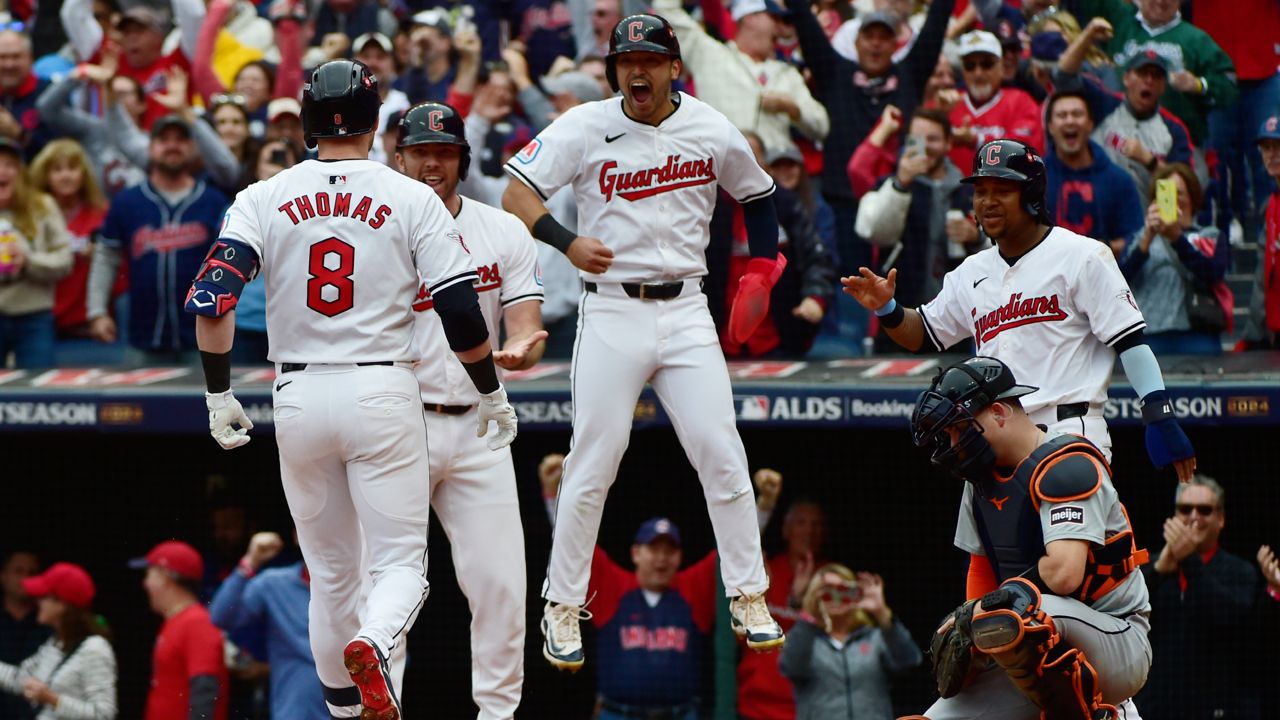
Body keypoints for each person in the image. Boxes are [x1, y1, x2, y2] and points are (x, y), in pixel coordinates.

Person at [184, 59, 517, 720]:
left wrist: (219, 394)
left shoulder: (262, 194)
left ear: (307, 119)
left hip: (299, 393)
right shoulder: (411, 195)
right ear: (375, 122)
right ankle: (374, 640)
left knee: (331, 573)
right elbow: (458, 313)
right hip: (382, 389)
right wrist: (489, 392)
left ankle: (341, 709)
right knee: (400, 569)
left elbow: (213, 298)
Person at [501, 14, 785, 671]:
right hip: (612, 312)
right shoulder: (585, 124)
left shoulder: (710, 126)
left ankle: (749, 594)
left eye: (650, 59)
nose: (638, 70)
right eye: (627, 59)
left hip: (687, 309)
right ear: (614, 69)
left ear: (672, 67)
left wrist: (764, 270)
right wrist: (565, 240)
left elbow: (762, 199)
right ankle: (562, 605)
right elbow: (519, 192)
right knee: (594, 459)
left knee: (721, 452)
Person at [841, 138, 1195, 480]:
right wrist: (887, 307)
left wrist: (1158, 412)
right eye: (981, 192)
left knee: (1065, 543)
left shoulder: (1082, 255)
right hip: (995, 437)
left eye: (1002, 190)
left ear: (1031, 196)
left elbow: (1130, 341)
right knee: (981, 543)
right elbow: (924, 334)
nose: (988, 202)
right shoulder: (971, 272)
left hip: (1069, 431)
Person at [395, 101, 546, 720]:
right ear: (397, 157)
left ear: (462, 157)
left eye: (445, 151)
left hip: (480, 418)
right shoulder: (370, 232)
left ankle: (497, 714)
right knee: (389, 587)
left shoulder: (500, 229)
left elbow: (527, 325)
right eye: (421, 152)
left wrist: (520, 348)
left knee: (502, 586)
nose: (433, 162)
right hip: (398, 422)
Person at [904, 356, 1152, 720]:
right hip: (1031, 644)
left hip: (1117, 640)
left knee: (1011, 609)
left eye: (959, 428)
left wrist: (981, 612)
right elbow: (980, 573)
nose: (953, 441)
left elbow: (1064, 573)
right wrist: (974, 638)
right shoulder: (979, 483)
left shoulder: (1067, 464)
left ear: (1000, 413)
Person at [538, 455, 778, 720]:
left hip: (680, 713)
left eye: (669, 550)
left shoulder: (692, 588)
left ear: (679, 556)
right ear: (635, 553)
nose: (661, 558)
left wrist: (764, 506)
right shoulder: (613, 586)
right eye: (653, 549)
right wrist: (553, 494)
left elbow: (734, 549)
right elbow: (573, 545)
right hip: (618, 714)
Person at [87, 114, 227, 366]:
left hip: (203, 339)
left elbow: (228, 264)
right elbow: (106, 257)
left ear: (193, 148)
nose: (172, 145)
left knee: (205, 405)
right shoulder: (128, 201)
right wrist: (97, 311)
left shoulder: (213, 201)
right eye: (164, 139)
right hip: (142, 336)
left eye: (181, 140)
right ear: (151, 148)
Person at [1134, 475, 1266, 719]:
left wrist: (1189, 560)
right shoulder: (1149, 568)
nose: (1194, 517)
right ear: (1174, 515)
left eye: (1204, 510)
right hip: (1153, 708)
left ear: (1221, 519)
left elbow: (1229, 617)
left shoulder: (1239, 570)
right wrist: (1159, 570)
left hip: (1216, 709)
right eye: (1185, 509)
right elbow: (1121, 613)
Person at [855, 107, 977, 350]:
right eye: (916, 139)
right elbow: (873, 231)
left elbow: (993, 251)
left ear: (948, 144)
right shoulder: (890, 184)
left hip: (955, 322)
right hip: (897, 316)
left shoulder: (967, 191)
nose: (924, 146)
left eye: (932, 139)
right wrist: (900, 185)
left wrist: (975, 236)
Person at [651, 0, 830, 157]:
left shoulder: (786, 73)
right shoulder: (710, 54)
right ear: (751, 17)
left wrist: (793, 109)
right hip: (722, 175)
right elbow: (665, 11)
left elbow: (822, 126)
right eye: (774, 19)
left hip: (776, 178)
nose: (779, 28)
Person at [779, 565, 920, 720]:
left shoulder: (874, 637)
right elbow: (790, 667)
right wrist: (808, 614)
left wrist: (882, 612)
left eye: (842, 589)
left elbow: (910, 662)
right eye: (827, 591)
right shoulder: (805, 638)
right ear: (816, 596)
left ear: (854, 592)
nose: (835, 596)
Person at [1056, 43, 1194, 202]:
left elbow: (1185, 190)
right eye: (1142, 73)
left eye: (1156, 76)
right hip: (1095, 210)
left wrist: (1150, 161)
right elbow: (1063, 77)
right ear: (1126, 78)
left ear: (1163, 86)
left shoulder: (1174, 130)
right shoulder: (1103, 105)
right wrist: (1089, 33)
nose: (1149, 80)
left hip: (1149, 219)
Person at [209, 531, 323, 720]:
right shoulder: (273, 584)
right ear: (296, 536)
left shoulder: (364, 582)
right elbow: (221, 617)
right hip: (296, 712)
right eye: (312, 526)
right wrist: (250, 562)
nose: (323, 534)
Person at [1118, 163, 1228, 355]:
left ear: (1193, 198)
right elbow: (1119, 282)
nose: (1174, 200)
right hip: (1149, 335)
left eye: (1180, 193)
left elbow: (1213, 273)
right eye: (1167, 194)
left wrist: (1177, 238)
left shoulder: (1209, 235)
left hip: (1197, 334)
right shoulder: (1139, 238)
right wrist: (1146, 240)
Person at [737, 486, 825, 720]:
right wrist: (759, 595)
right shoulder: (765, 572)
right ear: (786, 530)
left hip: (813, 707)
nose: (809, 531)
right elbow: (738, 636)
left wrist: (801, 602)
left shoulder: (832, 579)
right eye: (801, 523)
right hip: (757, 707)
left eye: (816, 524)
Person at [0, 562, 116, 720]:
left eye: (44, 597)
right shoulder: (56, 643)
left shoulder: (94, 648)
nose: (38, 601)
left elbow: (103, 714)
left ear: (62, 604)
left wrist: (52, 699)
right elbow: (20, 678)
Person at [129, 540, 228, 720]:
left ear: (165, 576)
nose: (145, 583)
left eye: (148, 574)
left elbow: (205, 688)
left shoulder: (196, 623)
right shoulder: (177, 621)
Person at [0, 134, 72, 369]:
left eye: (10, 165)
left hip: (34, 316)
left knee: (39, 391)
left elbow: (65, 259)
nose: (3, 172)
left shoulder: (42, 205)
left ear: (21, 172)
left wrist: (28, 260)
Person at [1042, 90, 1144, 255]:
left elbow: (1136, 240)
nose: (1070, 121)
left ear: (1090, 124)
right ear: (1050, 127)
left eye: (1077, 114)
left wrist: (1101, 249)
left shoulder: (1119, 181)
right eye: (1062, 115)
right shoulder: (1034, 180)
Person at [946, 30, 1044, 171]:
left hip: (1003, 190)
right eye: (970, 66)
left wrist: (975, 140)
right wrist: (939, 119)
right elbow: (917, 147)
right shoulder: (946, 103)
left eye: (986, 64)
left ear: (1001, 67)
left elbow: (1025, 154)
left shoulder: (1021, 102)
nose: (978, 73)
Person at [1243, 114, 1280, 349]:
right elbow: (1263, 277)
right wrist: (1253, 335)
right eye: (1266, 147)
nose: (1272, 154)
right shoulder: (1271, 205)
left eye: (1278, 146)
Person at [0, 550, 47, 720]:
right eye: (18, 571)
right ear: (3, 576)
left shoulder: (51, 625)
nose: (26, 578)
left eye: (32, 573)